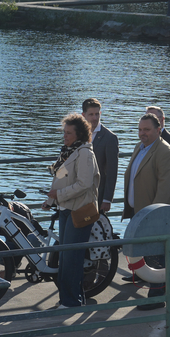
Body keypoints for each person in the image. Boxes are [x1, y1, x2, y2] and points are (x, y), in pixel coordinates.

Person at [123, 113, 170, 310]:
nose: (142, 133)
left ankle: (155, 298)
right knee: (150, 254)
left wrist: (152, 216)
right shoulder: (140, 147)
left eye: (146, 130)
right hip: (139, 211)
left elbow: (165, 188)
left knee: (156, 257)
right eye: (140, 129)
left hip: (155, 215)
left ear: (158, 130)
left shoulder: (165, 152)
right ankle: (168, 282)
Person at [44, 113, 101, 308]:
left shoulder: (85, 153)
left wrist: (58, 196)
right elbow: (59, 180)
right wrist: (50, 200)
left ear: (79, 134)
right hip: (66, 209)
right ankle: (70, 299)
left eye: (69, 133)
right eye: (64, 132)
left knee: (71, 258)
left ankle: (71, 301)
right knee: (66, 256)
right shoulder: (69, 152)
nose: (65, 136)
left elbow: (84, 184)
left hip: (78, 210)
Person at [83, 98, 119, 215]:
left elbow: (112, 171)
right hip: (77, 195)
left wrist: (107, 199)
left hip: (98, 196)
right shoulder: (77, 135)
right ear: (83, 115)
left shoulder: (109, 138)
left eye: (97, 114)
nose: (94, 118)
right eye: (91, 114)